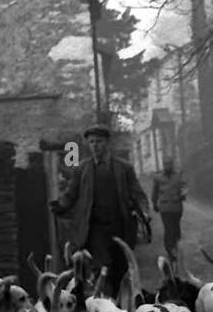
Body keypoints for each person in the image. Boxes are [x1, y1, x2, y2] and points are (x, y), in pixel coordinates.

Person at [50, 124, 151, 295]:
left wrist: (145, 212)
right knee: (102, 266)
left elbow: (138, 194)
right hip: (94, 229)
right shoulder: (81, 169)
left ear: (107, 143)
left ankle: (118, 304)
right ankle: (105, 304)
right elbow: (70, 194)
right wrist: (58, 205)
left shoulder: (123, 168)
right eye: (91, 142)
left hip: (120, 227)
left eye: (99, 141)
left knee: (120, 269)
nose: (95, 145)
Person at [152, 156, 189, 260]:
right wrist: (154, 203)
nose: (167, 166)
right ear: (163, 165)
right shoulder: (158, 177)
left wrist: (183, 193)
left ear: (172, 165)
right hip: (165, 208)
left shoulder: (178, 175)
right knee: (168, 229)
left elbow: (184, 186)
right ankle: (170, 250)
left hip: (177, 207)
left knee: (176, 228)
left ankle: (176, 246)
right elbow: (154, 192)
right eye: (165, 164)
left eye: (169, 164)